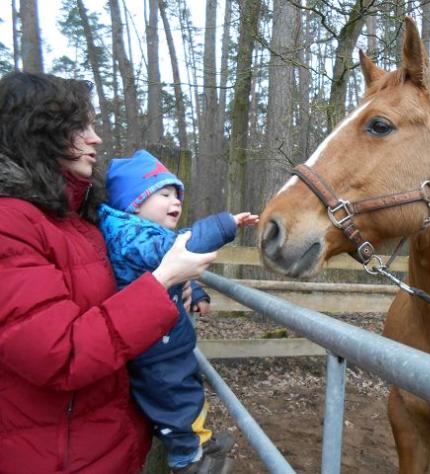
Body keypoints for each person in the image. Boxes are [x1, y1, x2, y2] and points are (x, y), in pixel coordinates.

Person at [0, 71, 218, 474]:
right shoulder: (10, 223)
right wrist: (162, 283)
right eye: (79, 127)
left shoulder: (78, 220)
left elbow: (111, 303)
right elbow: (61, 353)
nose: (95, 138)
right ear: (38, 132)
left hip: (110, 444)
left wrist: (172, 296)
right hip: (55, 457)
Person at [98, 149, 259, 474]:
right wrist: (224, 225)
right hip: (154, 347)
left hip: (167, 340)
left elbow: (176, 270)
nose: (176, 201)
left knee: (186, 389)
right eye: (165, 193)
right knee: (174, 400)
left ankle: (200, 440)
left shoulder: (146, 235)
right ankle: (187, 458)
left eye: (178, 195)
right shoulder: (132, 236)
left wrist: (196, 292)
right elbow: (180, 251)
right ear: (135, 201)